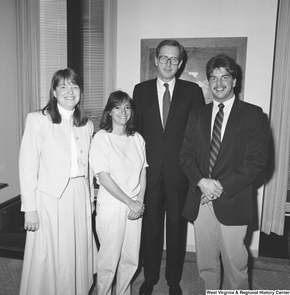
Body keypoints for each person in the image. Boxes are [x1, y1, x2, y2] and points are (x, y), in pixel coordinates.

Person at [179, 54, 269, 290]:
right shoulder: (197, 115)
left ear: (234, 81)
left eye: (225, 77)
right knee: (206, 265)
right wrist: (201, 181)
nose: (219, 83)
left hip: (233, 198)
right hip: (201, 199)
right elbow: (185, 155)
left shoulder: (253, 114)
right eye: (213, 78)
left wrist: (218, 186)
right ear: (208, 82)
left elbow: (257, 161)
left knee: (235, 265)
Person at [133, 39, 205, 295]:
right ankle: (150, 277)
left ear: (181, 63)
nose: (168, 63)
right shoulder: (140, 91)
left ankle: (174, 280)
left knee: (176, 230)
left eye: (174, 59)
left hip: (179, 175)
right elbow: (135, 132)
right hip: (150, 174)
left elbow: (198, 136)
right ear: (155, 60)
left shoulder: (192, 91)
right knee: (150, 230)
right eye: (164, 58)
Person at [19, 68, 97, 295]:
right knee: (50, 255)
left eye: (74, 86)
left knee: (75, 252)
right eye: (63, 86)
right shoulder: (37, 120)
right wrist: (30, 208)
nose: (70, 91)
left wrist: (90, 199)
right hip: (49, 198)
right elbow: (27, 166)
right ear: (54, 92)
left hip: (78, 196)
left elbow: (89, 167)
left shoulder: (86, 124)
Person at [90, 90, 148, 295]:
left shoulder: (137, 139)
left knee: (131, 259)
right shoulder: (101, 138)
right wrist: (129, 202)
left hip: (135, 206)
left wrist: (139, 203)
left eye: (127, 107)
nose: (123, 112)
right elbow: (104, 178)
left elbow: (142, 172)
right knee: (108, 260)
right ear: (109, 112)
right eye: (117, 107)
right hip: (112, 206)